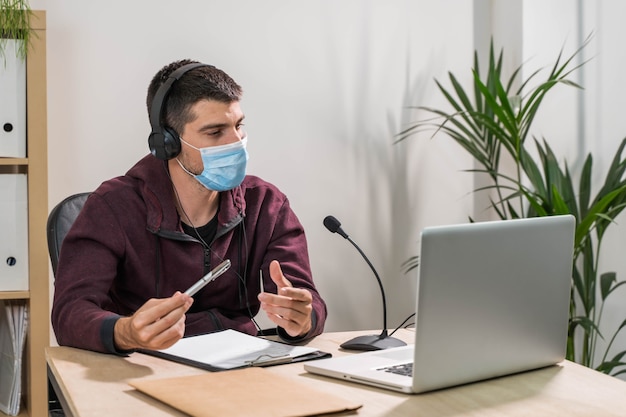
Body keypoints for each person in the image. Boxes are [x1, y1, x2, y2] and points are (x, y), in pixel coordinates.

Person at [51, 59, 327, 354]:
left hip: (239, 366)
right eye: (215, 131)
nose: (236, 141)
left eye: (238, 125)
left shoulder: (266, 204)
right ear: (167, 142)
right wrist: (126, 332)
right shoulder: (113, 207)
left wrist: (302, 318)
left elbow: (304, 298)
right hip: (143, 365)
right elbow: (70, 312)